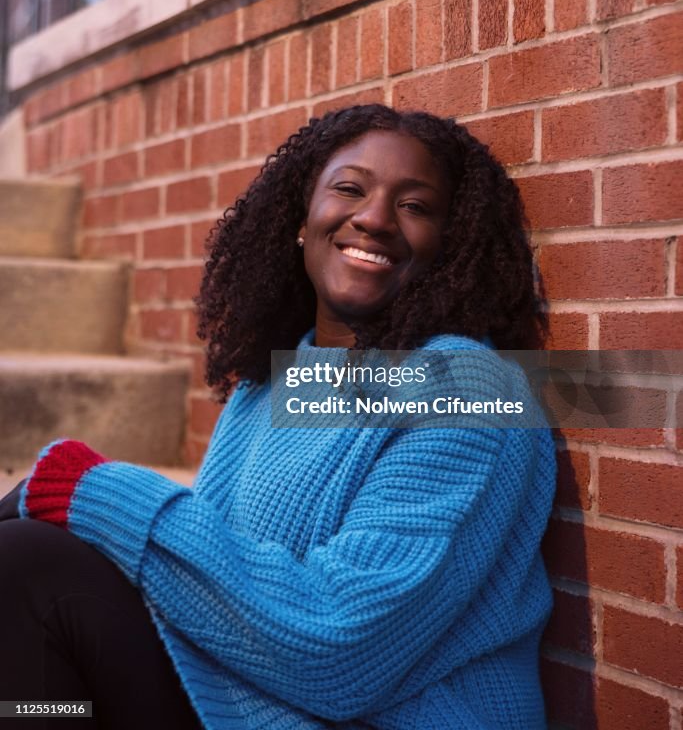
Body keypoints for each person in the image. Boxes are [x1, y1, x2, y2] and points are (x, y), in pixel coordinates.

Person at [0, 104, 556, 729]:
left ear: (450, 248)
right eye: (349, 189)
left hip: (363, 714)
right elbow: (216, 579)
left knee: (27, 565)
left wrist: (96, 492)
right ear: (301, 217)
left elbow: (341, 641)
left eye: (415, 206)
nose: (373, 219)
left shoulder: (465, 389)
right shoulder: (280, 380)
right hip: (251, 695)